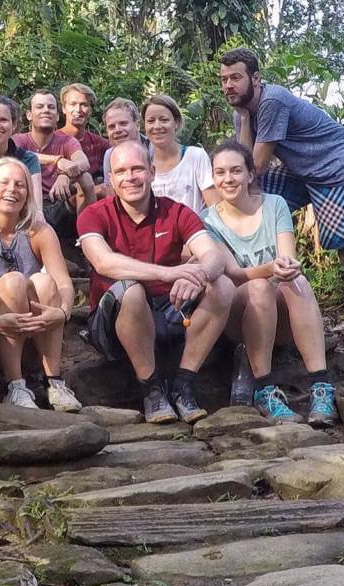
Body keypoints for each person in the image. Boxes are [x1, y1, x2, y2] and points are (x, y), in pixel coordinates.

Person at [77, 141, 235, 424]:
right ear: (111, 179)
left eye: (137, 169)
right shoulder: (94, 214)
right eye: (121, 171)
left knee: (222, 285)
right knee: (132, 290)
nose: (130, 177)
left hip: (169, 309)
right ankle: (151, 390)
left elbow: (213, 256)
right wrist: (170, 273)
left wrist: (199, 274)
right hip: (113, 322)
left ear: (151, 172)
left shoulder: (175, 212)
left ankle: (183, 385)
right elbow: (104, 262)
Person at [220, 47, 344, 335]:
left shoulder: (273, 101)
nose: (229, 85)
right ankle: (259, 284)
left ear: (255, 78)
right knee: (251, 195)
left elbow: (258, 165)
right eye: (224, 79)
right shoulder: (242, 113)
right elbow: (244, 162)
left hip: (338, 170)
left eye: (236, 78)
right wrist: (241, 117)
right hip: (303, 172)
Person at [203, 140, 338, 426]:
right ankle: (265, 391)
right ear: (213, 178)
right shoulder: (208, 222)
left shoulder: (274, 205)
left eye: (236, 171)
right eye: (221, 172)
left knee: (295, 279)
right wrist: (270, 268)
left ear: (251, 174)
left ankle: (321, 387)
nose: (228, 179)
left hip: (281, 313)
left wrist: (286, 266)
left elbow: (287, 257)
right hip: (239, 318)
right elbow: (235, 273)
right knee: (259, 285)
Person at [0, 157, 83, 412]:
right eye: (4, 183)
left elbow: (64, 283)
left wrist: (62, 311)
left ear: (28, 193)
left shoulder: (40, 232)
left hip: (31, 334)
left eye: (20, 184)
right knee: (14, 282)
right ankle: (15, 386)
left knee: (44, 282)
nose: (12, 190)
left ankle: (54, 382)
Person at [13, 89, 95, 233]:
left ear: (57, 116)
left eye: (51, 107)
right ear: (29, 115)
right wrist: (56, 160)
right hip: (27, 204)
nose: (46, 110)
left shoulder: (67, 141)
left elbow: (83, 162)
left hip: (58, 202)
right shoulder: (19, 140)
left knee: (86, 179)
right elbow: (15, 154)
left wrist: (65, 175)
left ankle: (87, 235)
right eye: (40, 107)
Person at [142, 94, 219, 213]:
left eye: (164, 120)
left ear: (176, 123)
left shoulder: (195, 156)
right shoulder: (142, 164)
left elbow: (215, 207)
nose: (157, 126)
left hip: (195, 229)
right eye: (151, 121)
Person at [59, 83, 109, 186]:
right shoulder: (53, 141)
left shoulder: (99, 144)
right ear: (64, 108)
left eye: (84, 105)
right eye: (73, 104)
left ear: (90, 110)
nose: (78, 109)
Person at [101, 98, 152, 192]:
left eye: (123, 124)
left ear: (137, 124)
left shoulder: (153, 149)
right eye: (112, 127)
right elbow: (111, 194)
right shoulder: (109, 155)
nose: (118, 130)